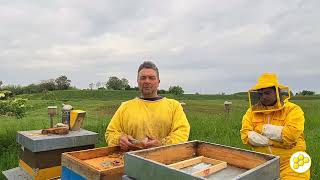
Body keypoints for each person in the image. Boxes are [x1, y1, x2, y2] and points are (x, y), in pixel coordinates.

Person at [105, 61, 190, 151]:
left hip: (165, 160)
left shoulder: (174, 106)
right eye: (143, 78)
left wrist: (162, 144)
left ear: (158, 81)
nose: (147, 81)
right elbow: (110, 132)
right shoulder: (125, 107)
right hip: (130, 160)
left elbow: (182, 132)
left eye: (151, 78)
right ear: (138, 81)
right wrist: (120, 139)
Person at [240, 73, 309, 180]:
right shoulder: (251, 112)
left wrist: (260, 129)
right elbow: (245, 136)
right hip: (263, 161)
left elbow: (290, 135)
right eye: (261, 94)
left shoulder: (293, 109)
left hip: (294, 159)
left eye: (267, 93)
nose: (263, 97)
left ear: (277, 92)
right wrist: (277, 142)